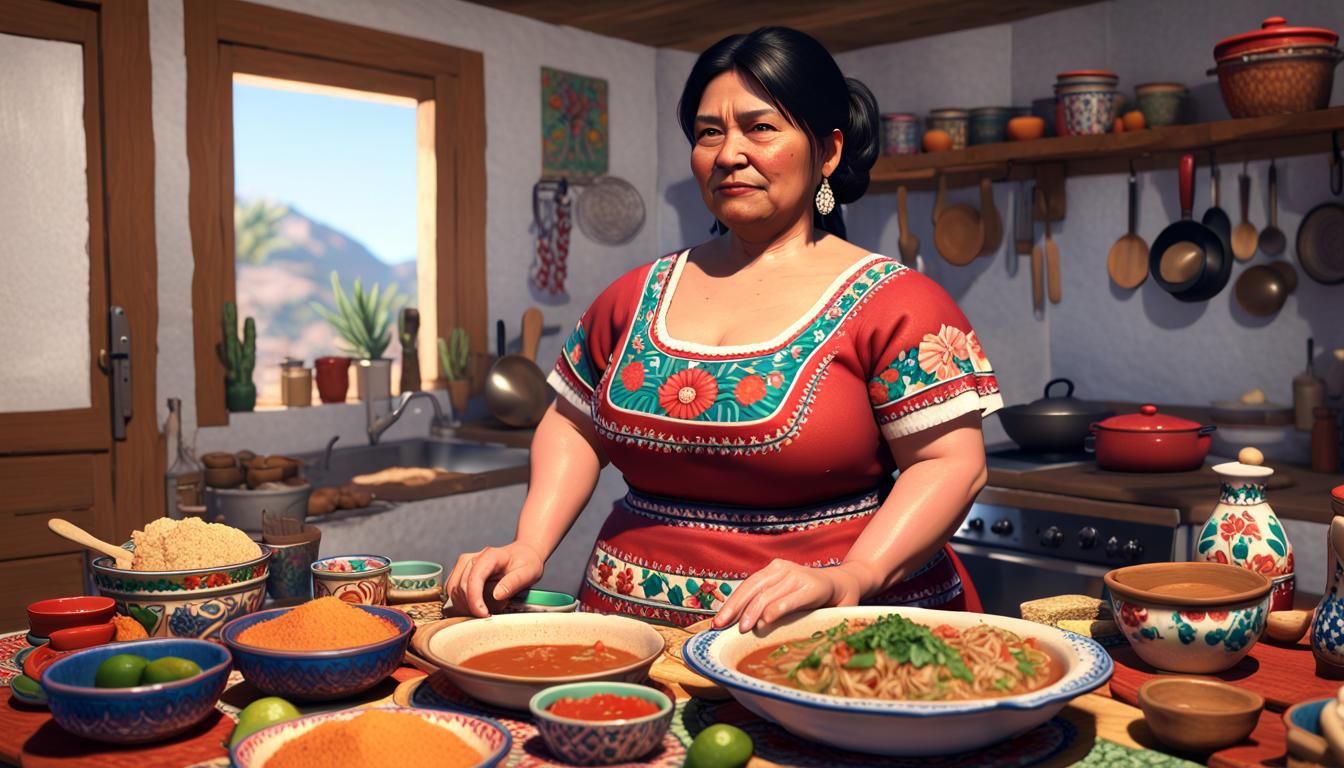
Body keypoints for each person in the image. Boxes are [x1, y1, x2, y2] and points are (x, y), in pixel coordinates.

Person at [446, 26, 1002, 632]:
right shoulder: (634, 296)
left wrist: (854, 575)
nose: (729, 152)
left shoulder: (898, 304)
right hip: (637, 643)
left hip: (834, 638)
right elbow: (572, 424)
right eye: (710, 132)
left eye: (761, 127)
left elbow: (951, 463)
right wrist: (530, 545)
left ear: (829, 151)